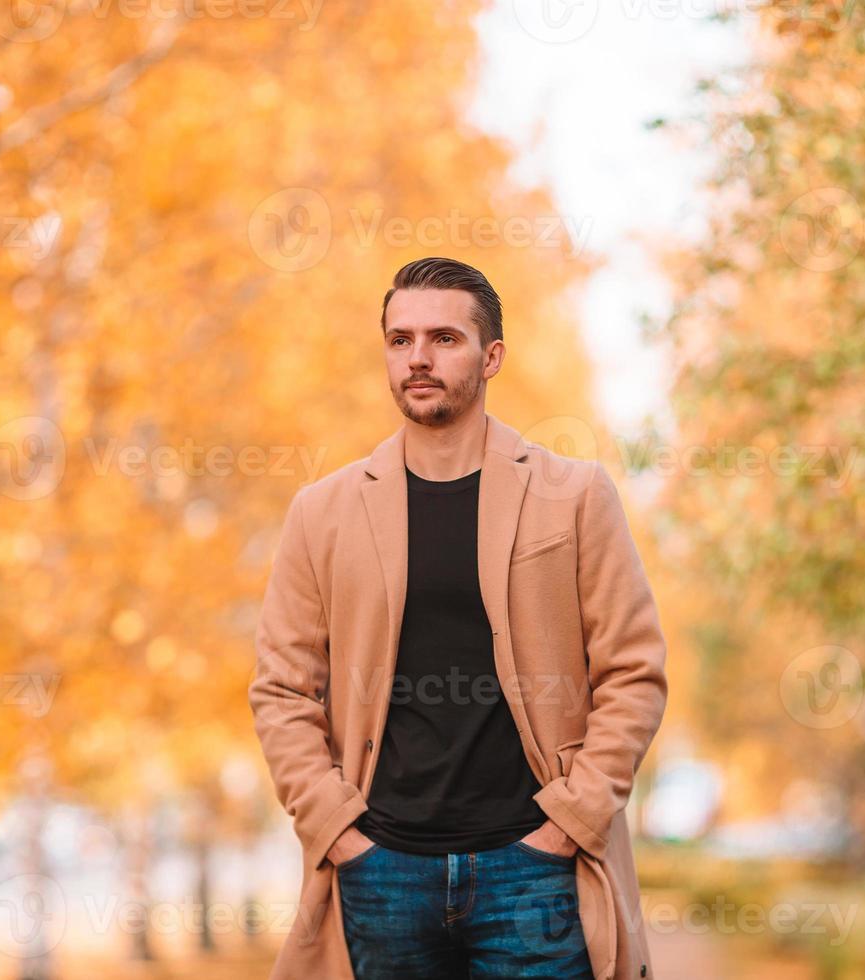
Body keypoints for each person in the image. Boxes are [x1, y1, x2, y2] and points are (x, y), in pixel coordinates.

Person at [249, 256, 668, 979]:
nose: (418, 357)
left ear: (491, 356)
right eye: (400, 339)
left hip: (533, 871)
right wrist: (337, 829)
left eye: (444, 338)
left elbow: (633, 672)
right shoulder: (323, 513)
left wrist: (572, 821)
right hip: (381, 871)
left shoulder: (574, 495)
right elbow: (282, 690)